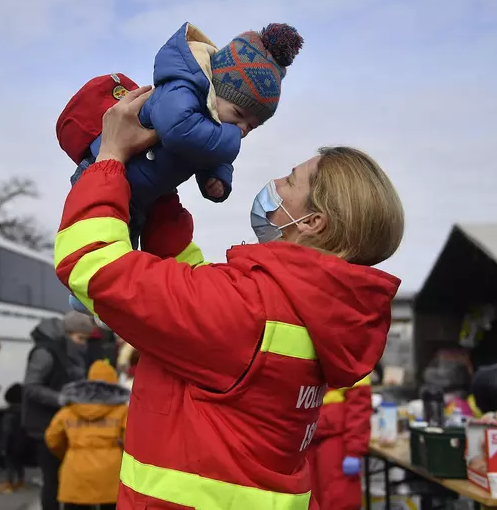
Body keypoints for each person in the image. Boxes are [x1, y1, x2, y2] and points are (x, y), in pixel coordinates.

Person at [53, 87, 404, 510]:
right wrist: (161, 193)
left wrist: (110, 157)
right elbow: (194, 288)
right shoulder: (310, 312)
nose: (274, 183)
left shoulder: (250, 311)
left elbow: (92, 264)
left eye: (290, 181)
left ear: (312, 222)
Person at [60, 22, 302, 316]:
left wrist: (217, 177)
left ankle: (169, 289)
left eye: (251, 126)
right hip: (112, 177)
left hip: (153, 191)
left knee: (173, 231)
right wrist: (231, 139)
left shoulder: (215, 122)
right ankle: (87, 296)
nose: (241, 130)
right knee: (119, 239)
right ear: (216, 89)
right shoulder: (180, 88)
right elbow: (180, 130)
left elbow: (212, 153)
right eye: (239, 116)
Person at [22, 312, 92, 510]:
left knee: (67, 477)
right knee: (52, 480)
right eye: (80, 338)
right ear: (67, 334)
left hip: (62, 424)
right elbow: (31, 386)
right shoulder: (45, 353)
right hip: (44, 425)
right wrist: (60, 398)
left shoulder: (65, 352)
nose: (83, 345)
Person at [45, 360, 129, 510]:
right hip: (110, 474)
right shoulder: (121, 411)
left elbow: (52, 439)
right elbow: (130, 441)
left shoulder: (69, 410)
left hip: (75, 471)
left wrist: (69, 452)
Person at [308, 375, 373, 510]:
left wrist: (354, 452)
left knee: (339, 501)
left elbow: (359, 410)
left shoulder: (351, 363)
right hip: (308, 442)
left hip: (337, 443)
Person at [0, 383, 29, 494]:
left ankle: (9, 483)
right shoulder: (26, 412)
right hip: (23, 443)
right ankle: (21, 481)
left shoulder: (9, 414)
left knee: (10, 464)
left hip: (11, 444)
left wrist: (2, 446)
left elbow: (6, 432)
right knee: (19, 463)